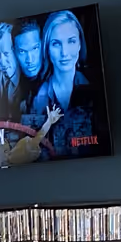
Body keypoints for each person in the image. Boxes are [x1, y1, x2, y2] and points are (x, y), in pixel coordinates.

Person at [26, 9, 104, 159]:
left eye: (71, 41)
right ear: (47, 48)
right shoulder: (35, 99)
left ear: (80, 44)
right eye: (56, 44)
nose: (64, 52)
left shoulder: (96, 90)